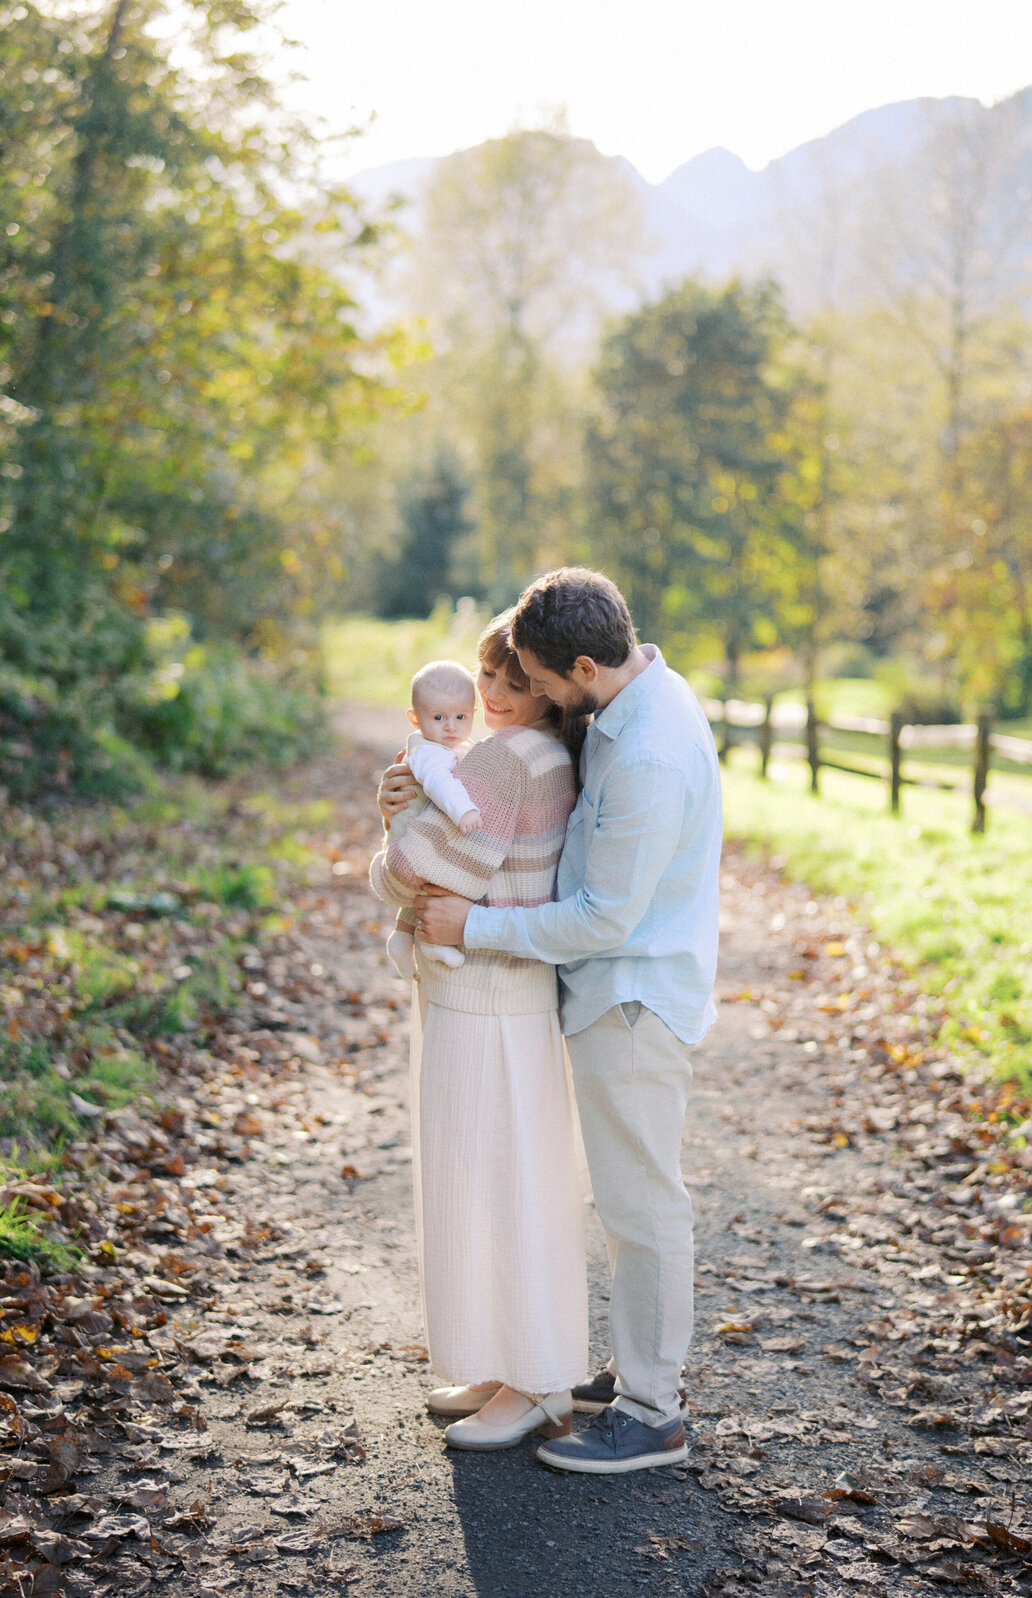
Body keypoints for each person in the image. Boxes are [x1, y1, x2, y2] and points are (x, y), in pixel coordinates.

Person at [413, 567, 721, 1475]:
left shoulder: (652, 751)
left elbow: (602, 917)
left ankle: (653, 1412)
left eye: (540, 678)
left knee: (641, 1205)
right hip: (610, 990)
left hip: (631, 996)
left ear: (585, 663)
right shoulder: (630, 705)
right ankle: (626, 1374)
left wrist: (475, 925)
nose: (530, 693)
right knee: (625, 1199)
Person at [369, 612, 588, 1451]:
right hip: (509, 994)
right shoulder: (549, 755)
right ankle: (510, 1364)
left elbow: (416, 871)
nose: (490, 694)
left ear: (545, 685)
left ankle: (536, 1382)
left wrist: (389, 827)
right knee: (506, 1180)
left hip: (484, 1000)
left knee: (493, 1187)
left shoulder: (502, 758)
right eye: (485, 676)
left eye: (512, 680)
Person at [384, 660, 481, 980]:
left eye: (460, 717)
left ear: (472, 714)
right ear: (415, 719)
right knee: (442, 876)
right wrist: (463, 810)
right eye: (439, 718)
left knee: (424, 886)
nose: (451, 726)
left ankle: (401, 936)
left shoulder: (437, 744)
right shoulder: (429, 754)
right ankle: (429, 941)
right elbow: (440, 783)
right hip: (409, 828)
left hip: (408, 826)